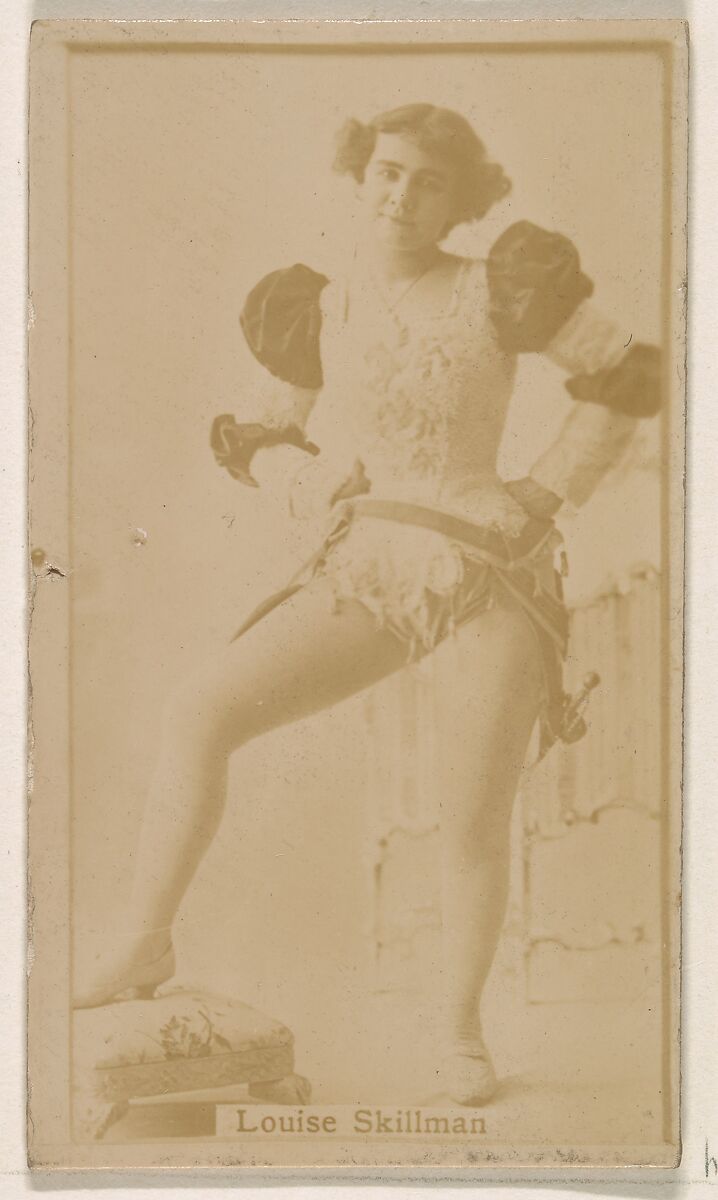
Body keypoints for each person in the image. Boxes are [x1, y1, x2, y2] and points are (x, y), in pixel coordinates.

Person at [74, 103, 661, 1106]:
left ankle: (457, 1029)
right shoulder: (318, 304)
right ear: (360, 176)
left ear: (460, 199)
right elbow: (261, 435)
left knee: (469, 817)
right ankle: (143, 940)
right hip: (372, 563)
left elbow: (625, 374)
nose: (402, 195)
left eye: (429, 181)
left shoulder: (499, 285)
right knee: (198, 712)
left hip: (489, 567)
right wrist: (310, 483)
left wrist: (546, 490)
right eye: (388, 172)